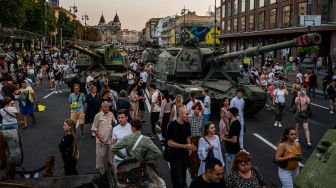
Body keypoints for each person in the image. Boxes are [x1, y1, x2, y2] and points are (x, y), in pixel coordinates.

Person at [166, 107, 196, 188]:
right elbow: (170, 143)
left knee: (183, 177)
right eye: (186, 114)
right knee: (176, 179)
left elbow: (187, 137)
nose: (188, 116)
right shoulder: (172, 125)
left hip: (184, 156)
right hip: (175, 157)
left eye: (188, 114)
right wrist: (185, 146)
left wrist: (190, 147)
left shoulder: (187, 124)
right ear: (180, 114)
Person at [91, 102, 117, 174]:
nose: (107, 108)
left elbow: (115, 122)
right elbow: (94, 128)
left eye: (108, 107)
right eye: (105, 107)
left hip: (111, 139)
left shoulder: (111, 114)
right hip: (101, 140)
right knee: (101, 156)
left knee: (112, 155)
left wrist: (114, 122)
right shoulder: (98, 116)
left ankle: (111, 167)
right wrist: (99, 138)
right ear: (101, 108)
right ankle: (101, 169)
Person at [222, 107, 241, 174]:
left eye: (229, 112)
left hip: (232, 151)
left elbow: (234, 140)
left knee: (229, 171)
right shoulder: (233, 122)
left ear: (231, 114)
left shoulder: (235, 124)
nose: (227, 113)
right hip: (232, 150)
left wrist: (225, 139)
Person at [188, 102, 203, 179]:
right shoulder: (189, 118)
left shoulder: (201, 118)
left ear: (200, 110)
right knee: (193, 158)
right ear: (193, 109)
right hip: (192, 139)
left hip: (199, 139)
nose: (196, 110)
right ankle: (193, 174)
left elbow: (202, 130)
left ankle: (197, 172)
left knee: (199, 158)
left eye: (198, 109)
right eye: (195, 109)